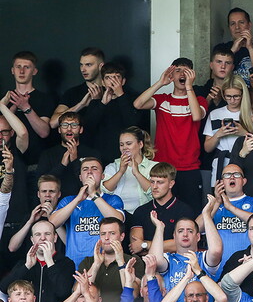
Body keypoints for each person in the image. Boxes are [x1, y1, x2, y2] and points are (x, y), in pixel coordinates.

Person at [133, 58, 207, 212]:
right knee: (162, 211)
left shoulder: (199, 100)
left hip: (189, 167)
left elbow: (196, 116)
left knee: (191, 212)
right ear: (172, 75)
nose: (182, 74)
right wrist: (160, 82)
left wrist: (189, 87)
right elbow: (137, 104)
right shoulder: (163, 100)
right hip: (163, 167)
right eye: (178, 70)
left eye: (186, 71)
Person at [48, 157, 124, 267]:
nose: (89, 172)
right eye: (85, 169)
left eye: (94, 169)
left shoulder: (113, 199)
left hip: (105, 264)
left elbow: (118, 220)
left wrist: (93, 195)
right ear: (80, 177)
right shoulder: (69, 200)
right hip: (73, 265)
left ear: (102, 176)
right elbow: (52, 223)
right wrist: (77, 200)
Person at [0, 220, 75, 302]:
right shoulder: (24, 264)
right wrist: (27, 266)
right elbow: (4, 288)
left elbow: (62, 292)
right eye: (38, 234)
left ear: (55, 237)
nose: (42, 238)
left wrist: (50, 263)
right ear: (32, 239)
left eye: (47, 234)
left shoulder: (66, 263)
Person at [202, 163, 253, 272]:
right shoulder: (213, 205)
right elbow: (197, 228)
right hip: (218, 267)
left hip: (249, 265)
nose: (232, 177)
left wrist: (230, 207)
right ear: (221, 182)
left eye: (236, 174)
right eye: (227, 175)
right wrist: (218, 202)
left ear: (244, 181)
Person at [83, 63, 149, 165]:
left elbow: (133, 124)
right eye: (108, 78)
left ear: (123, 81)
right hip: (101, 157)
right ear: (103, 82)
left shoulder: (133, 100)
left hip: (127, 157)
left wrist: (120, 95)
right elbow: (88, 127)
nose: (112, 81)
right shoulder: (96, 102)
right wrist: (103, 103)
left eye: (116, 77)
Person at [128, 162, 196, 256]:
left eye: (160, 182)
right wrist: (168, 246)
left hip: (175, 264)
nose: (154, 187)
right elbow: (135, 247)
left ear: (171, 184)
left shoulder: (184, 210)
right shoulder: (141, 211)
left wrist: (146, 244)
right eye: (152, 182)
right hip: (146, 264)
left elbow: (183, 244)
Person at [75, 216, 137, 302]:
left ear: (122, 236)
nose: (107, 238)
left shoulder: (133, 260)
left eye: (112, 233)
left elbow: (134, 295)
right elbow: (78, 293)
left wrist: (121, 262)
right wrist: (96, 264)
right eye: (103, 234)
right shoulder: (88, 262)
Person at [203, 74, 253, 185]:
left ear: (243, 94)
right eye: (228, 96)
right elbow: (207, 148)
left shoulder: (252, 114)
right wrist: (218, 134)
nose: (232, 100)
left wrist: (244, 133)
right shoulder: (215, 114)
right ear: (223, 95)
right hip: (221, 162)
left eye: (236, 96)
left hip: (246, 162)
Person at [5, 51, 54, 165]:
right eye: (18, 67)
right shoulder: (5, 99)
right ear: (12, 70)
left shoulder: (45, 99)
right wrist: (13, 107)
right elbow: (3, 129)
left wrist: (26, 107)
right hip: (8, 163)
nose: (21, 71)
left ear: (34, 71)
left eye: (26, 67)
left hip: (35, 163)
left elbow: (44, 132)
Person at [36, 112, 99, 197]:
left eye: (74, 125)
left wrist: (75, 161)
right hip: (56, 204)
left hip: (84, 201)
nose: (69, 129)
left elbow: (94, 184)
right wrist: (62, 165)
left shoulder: (92, 154)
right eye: (65, 125)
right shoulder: (48, 154)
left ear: (81, 129)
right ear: (59, 129)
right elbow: (41, 184)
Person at [101, 127, 159, 211]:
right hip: (117, 214)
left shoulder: (154, 167)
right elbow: (105, 191)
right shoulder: (113, 166)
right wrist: (121, 171)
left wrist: (137, 173)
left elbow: (155, 192)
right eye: (121, 145)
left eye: (128, 143)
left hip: (145, 214)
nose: (124, 148)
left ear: (140, 144)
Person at [50, 48, 105, 131]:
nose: (83, 69)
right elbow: (53, 123)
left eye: (88, 65)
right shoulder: (72, 93)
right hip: (80, 143)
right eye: (81, 65)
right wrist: (81, 105)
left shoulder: (111, 91)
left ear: (101, 66)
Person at [218, 7, 253, 87]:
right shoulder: (221, 49)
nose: (237, 27)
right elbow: (216, 77)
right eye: (232, 24)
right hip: (229, 97)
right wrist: (232, 51)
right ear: (229, 27)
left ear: (249, 25)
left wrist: (250, 48)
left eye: (241, 22)